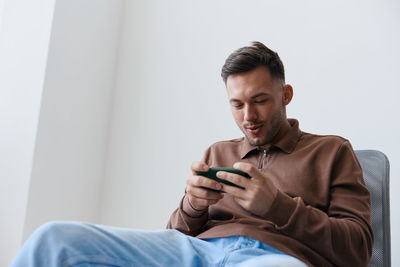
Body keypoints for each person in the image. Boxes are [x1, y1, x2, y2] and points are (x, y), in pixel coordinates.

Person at [11, 41, 373, 267]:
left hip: (274, 258)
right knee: (54, 238)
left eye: (260, 100)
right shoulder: (219, 151)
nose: (248, 117)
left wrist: (277, 206)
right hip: (194, 253)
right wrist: (193, 205)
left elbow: (357, 251)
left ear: (286, 94)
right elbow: (174, 234)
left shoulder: (331, 151)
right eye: (237, 104)